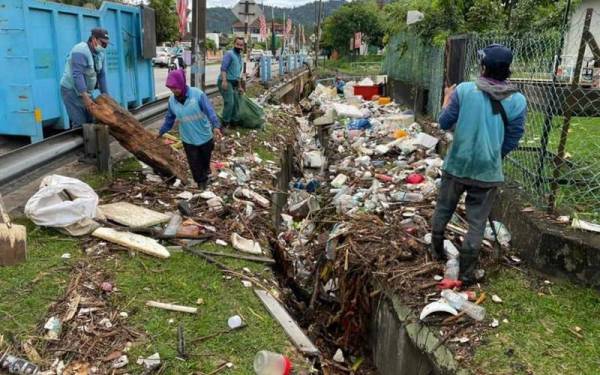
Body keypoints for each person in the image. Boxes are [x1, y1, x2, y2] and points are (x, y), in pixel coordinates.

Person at [430, 44, 527, 285]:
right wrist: (494, 156)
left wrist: (446, 99)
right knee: (476, 222)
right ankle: (466, 273)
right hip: (487, 171)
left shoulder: (464, 91)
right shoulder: (518, 101)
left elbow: (444, 122)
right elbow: (513, 138)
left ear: (483, 66)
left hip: (457, 164)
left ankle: (435, 252)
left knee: (444, 209)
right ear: (507, 70)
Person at [158, 70, 222, 190]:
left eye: (175, 87)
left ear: (181, 83)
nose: (173, 91)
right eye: (171, 88)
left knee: (205, 159)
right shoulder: (172, 101)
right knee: (194, 163)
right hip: (188, 138)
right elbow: (169, 119)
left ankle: (205, 171)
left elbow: (210, 111)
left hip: (204, 135)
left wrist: (216, 126)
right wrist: (161, 132)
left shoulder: (197, 94)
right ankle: (201, 183)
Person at [60, 28, 109, 128]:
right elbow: (77, 74)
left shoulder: (100, 54)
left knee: (91, 121)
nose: (104, 46)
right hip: (71, 91)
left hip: (86, 92)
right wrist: (85, 97)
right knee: (80, 124)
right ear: (94, 39)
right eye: (103, 43)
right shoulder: (80, 50)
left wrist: (106, 97)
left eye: (106, 44)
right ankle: (79, 142)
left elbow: (101, 75)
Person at [218, 37, 244, 127]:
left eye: (241, 45)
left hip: (234, 83)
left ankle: (234, 122)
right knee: (230, 102)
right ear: (234, 44)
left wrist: (240, 86)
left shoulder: (240, 57)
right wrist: (224, 81)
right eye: (237, 44)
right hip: (226, 81)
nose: (239, 46)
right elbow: (223, 68)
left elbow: (238, 75)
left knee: (236, 102)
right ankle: (224, 124)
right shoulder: (229, 54)